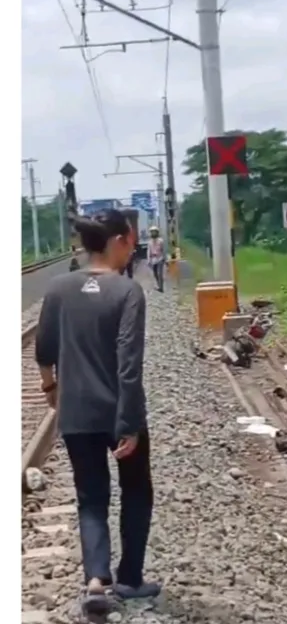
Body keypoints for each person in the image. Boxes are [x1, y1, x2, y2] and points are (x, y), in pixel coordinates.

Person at [34, 209, 158, 615]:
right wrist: (129, 424)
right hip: (119, 411)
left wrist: (52, 388)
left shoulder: (58, 288)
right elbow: (128, 364)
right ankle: (130, 578)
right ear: (119, 239)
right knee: (137, 491)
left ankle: (95, 581)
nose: (133, 246)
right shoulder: (127, 292)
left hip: (77, 413)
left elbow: (44, 350)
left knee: (90, 498)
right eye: (131, 239)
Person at [146, 226, 165, 292]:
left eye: (154, 231)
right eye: (152, 232)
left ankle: (161, 287)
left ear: (157, 232)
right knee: (155, 274)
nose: (153, 233)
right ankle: (158, 284)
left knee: (160, 274)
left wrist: (164, 258)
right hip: (153, 260)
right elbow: (148, 251)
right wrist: (148, 260)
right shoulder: (149, 242)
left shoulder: (161, 241)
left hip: (160, 258)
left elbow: (163, 250)